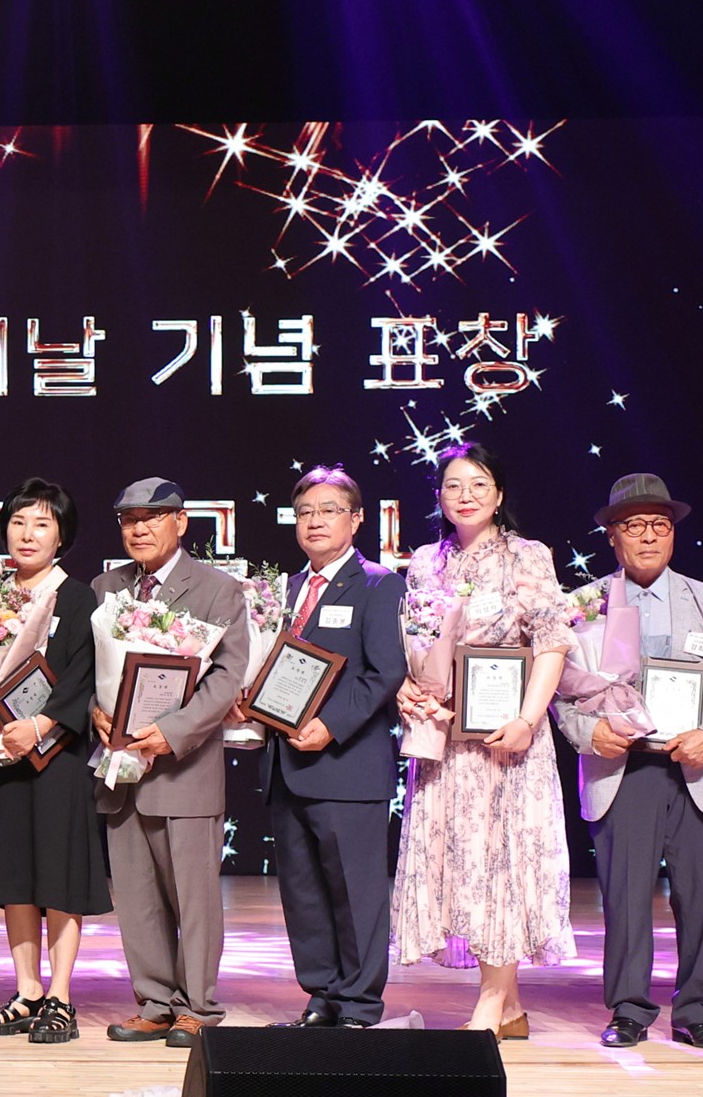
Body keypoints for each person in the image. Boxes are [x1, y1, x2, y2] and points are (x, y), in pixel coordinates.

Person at [552, 475, 703, 1050]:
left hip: (697, 765)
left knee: (701, 894)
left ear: (673, 534)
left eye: (659, 525)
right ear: (611, 536)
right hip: (625, 768)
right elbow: (559, 692)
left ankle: (697, 1009)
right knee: (625, 895)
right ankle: (629, 1008)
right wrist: (591, 733)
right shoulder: (584, 605)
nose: (648, 536)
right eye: (634, 525)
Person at [390, 444, 575, 1038]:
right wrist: (407, 688)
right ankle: (511, 1007)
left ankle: (491, 1007)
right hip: (445, 741)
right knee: (462, 864)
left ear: (498, 495)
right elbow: (413, 646)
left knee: (502, 863)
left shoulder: (527, 555)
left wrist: (527, 719)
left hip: (506, 742)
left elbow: (551, 643)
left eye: (478, 484)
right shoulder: (425, 562)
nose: (465, 495)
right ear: (438, 497)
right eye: (452, 485)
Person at [92, 476, 254, 1048]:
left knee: (193, 896)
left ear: (180, 522)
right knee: (136, 895)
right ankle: (155, 1002)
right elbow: (92, 668)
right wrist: (95, 710)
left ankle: (198, 1006)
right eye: (129, 520)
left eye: (152, 518)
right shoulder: (106, 587)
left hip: (183, 768)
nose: (139, 529)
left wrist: (173, 732)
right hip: (121, 767)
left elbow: (226, 677)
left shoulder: (217, 590)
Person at [0, 478, 106, 1045]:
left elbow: (86, 674)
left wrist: (40, 725)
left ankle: (60, 995)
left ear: (62, 536)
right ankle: (27, 991)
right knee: (14, 874)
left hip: (54, 756)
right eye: (18, 522)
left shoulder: (78, 596)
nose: (28, 534)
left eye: (42, 523)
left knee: (57, 874)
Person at [257, 466, 407, 1031]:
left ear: (357, 519)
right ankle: (321, 995)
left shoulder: (378, 585)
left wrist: (331, 726)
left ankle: (360, 1004)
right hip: (286, 762)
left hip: (346, 764)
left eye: (329, 510)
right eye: (305, 513)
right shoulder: (286, 589)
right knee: (303, 891)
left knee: (354, 891)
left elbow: (384, 672)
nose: (315, 522)